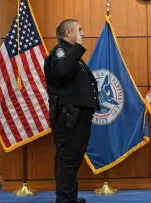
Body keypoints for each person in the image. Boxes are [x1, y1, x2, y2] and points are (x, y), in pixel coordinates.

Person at [44, 19, 100, 203]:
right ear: (69, 33)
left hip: (76, 116)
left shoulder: (70, 54)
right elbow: (62, 72)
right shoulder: (61, 52)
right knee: (68, 159)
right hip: (68, 117)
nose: (83, 34)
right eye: (80, 30)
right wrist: (76, 49)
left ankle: (69, 197)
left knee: (72, 159)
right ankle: (65, 200)